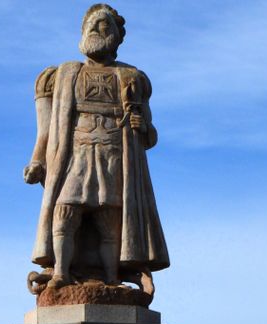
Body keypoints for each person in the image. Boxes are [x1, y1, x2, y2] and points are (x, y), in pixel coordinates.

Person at [24, 3, 168, 295]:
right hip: (73, 155)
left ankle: (111, 276)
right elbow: (46, 130)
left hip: (114, 156)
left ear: (117, 37)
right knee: (65, 211)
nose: (97, 30)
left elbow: (150, 137)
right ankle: (61, 273)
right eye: (92, 25)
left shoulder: (132, 78)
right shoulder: (62, 75)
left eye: (105, 26)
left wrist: (141, 127)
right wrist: (37, 161)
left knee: (110, 219)